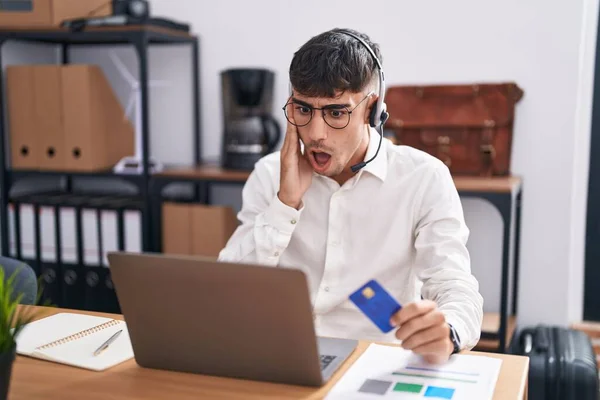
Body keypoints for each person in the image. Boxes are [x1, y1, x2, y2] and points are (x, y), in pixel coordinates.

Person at [218, 28, 483, 364]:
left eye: (336, 113)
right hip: (284, 357)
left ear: (371, 110)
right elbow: (228, 291)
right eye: (303, 110)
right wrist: (285, 205)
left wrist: (449, 330)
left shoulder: (424, 178)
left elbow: (454, 284)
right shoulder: (269, 175)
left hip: (374, 361)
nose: (315, 134)